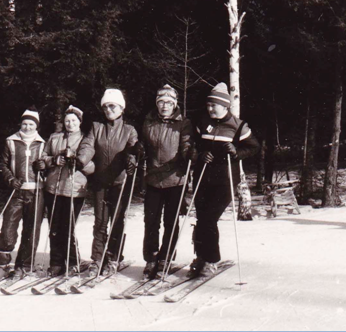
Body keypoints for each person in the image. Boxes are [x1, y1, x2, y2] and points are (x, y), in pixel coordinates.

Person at [190, 83, 259, 277]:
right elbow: (193, 145)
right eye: (208, 104)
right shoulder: (203, 122)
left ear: (225, 106)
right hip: (203, 176)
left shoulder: (238, 126)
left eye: (214, 105)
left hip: (225, 179)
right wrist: (201, 154)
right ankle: (201, 257)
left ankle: (211, 260)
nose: (210, 108)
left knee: (209, 219)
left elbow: (254, 147)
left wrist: (236, 152)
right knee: (201, 219)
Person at [77, 89, 139, 277]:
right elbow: (87, 145)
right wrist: (81, 159)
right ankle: (97, 258)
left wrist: (131, 160)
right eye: (105, 106)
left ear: (121, 107)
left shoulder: (129, 130)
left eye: (112, 106)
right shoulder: (97, 127)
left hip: (120, 182)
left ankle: (113, 257)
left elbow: (133, 149)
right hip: (100, 182)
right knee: (100, 222)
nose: (108, 109)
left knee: (117, 221)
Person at [141, 85, 193, 279]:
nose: (164, 106)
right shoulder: (149, 122)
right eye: (161, 102)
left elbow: (186, 144)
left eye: (169, 102)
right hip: (154, 179)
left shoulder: (183, 123)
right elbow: (144, 144)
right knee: (151, 221)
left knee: (171, 221)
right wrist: (138, 150)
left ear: (174, 104)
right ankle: (151, 258)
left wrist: (189, 154)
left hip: (175, 179)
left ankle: (166, 258)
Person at [0, 108, 47, 281]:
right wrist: (10, 179)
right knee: (8, 229)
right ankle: (1, 265)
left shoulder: (42, 143)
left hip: (36, 191)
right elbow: (3, 163)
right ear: (20, 124)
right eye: (25, 123)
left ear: (36, 126)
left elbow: (48, 164)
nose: (28, 127)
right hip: (16, 191)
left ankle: (24, 266)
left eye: (31, 124)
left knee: (31, 230)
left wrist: (43, 167)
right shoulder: (11, 141)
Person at [42, 105, 94, 276]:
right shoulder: (55, 138)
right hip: (53, 188)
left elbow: (93, 166)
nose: (70, 124)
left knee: (68, 227)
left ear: (79, 122)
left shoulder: (86, 140)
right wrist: (53, 160)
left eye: (74, 120)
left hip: (74, 189)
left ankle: (72, 261)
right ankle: (56, 262)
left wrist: (77, 162)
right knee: (54, 227)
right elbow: (43, 157)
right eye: (67, 121)